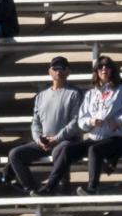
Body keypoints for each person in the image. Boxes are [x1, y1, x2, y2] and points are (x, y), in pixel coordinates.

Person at [44, 57, 122, 195]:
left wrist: (119, 120)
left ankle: (92, 188)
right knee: (66, 150)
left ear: (112, 70)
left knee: (94, 150)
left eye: (107, 67)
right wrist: (90, 122)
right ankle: (49, 187)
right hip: (95, 136)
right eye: (100, 67)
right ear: (96, 71)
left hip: (118, 137)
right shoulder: (91, 94)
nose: (104, 69)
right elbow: (81, 120)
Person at [7, 55, 81, 195]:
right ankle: (32, 190)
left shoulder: (75, 94)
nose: (58, 71)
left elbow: (76, 122)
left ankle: (60, 188)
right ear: (50, 71)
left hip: (67, 141)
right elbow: (35, 122)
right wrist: (39, 139)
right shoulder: (41, 96)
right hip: (44, 142)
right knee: (15, 154)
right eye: (55, 68)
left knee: (62, 150)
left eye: (62, 68)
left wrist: (57, 138)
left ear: (68, 71)